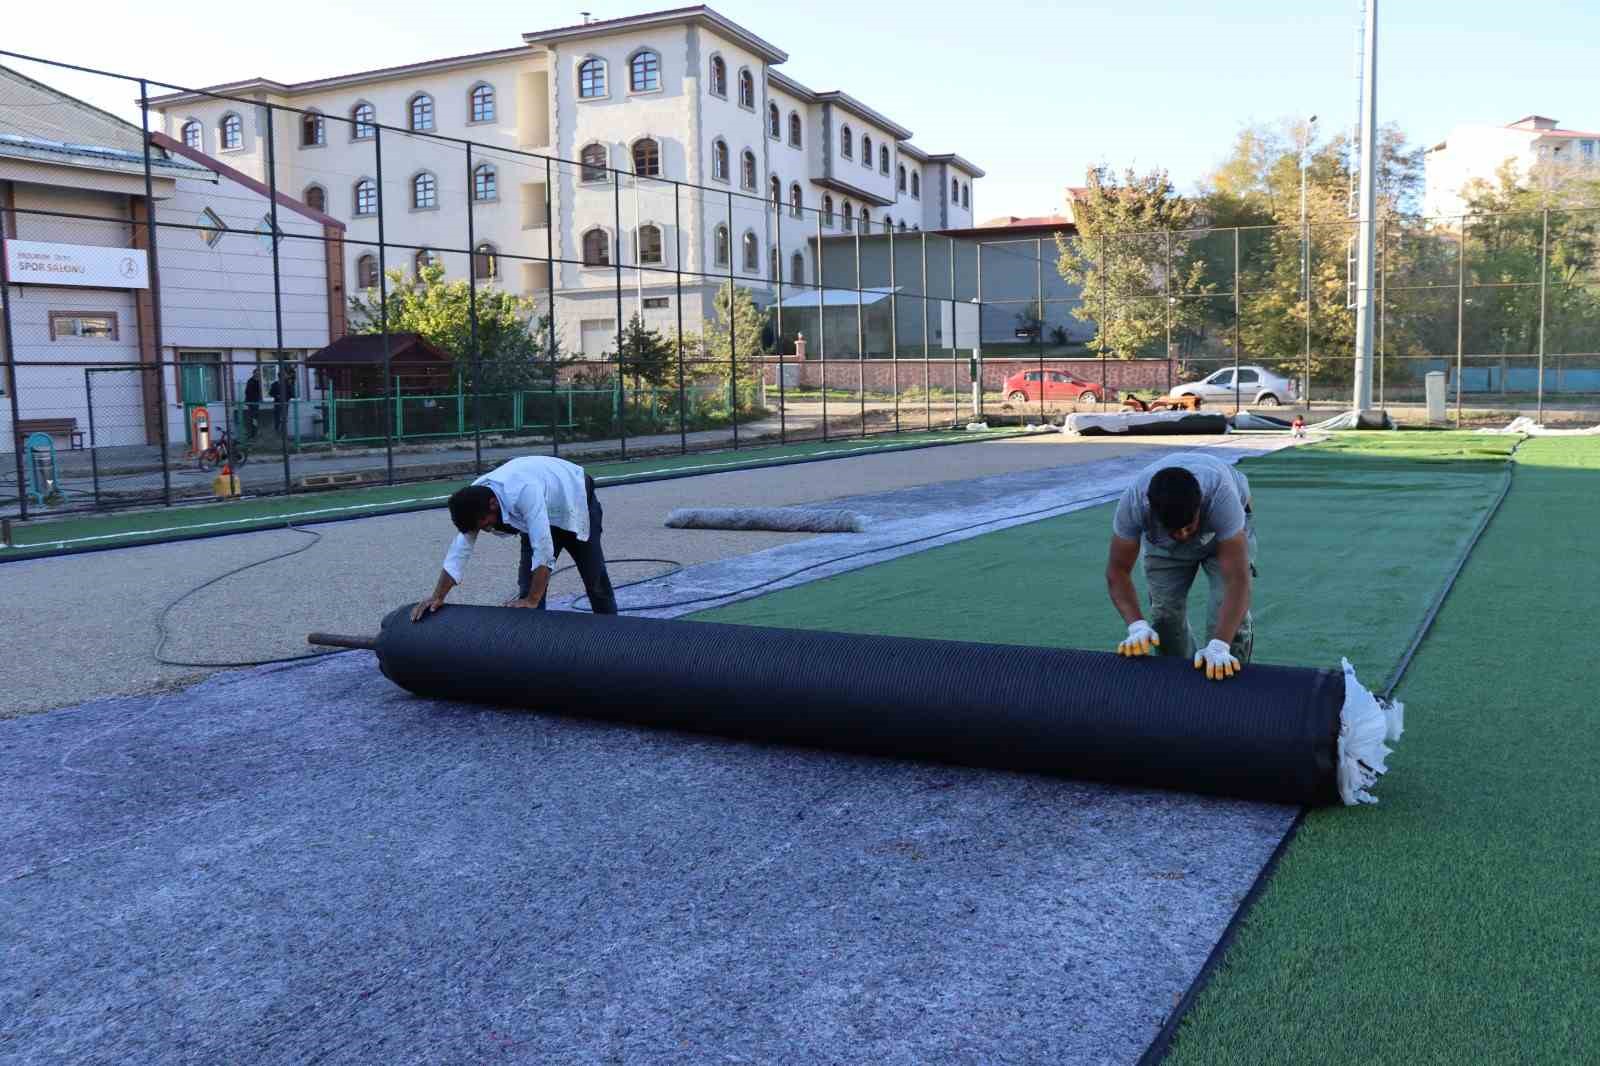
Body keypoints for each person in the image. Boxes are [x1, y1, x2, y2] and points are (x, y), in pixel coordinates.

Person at [411, 455, 618, 622]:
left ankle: (614, 637)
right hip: (540, 510)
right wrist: (438, 596)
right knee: (528, 588)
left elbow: (543, 551)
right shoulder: (473, 501)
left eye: (485, 524)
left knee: (595, 579)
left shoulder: (523, 492)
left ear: (493, 503)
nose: (486, 529)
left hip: (574, 502)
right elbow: (459, 552)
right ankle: (534, 644)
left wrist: (532, 600)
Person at [1105, 453, 1256, 681]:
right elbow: (1117, 571)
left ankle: (1230, 686)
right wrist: (1136, 626)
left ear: (1200, 506)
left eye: (1188, 526)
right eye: (1175, 530)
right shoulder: (1135, 504)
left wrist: (1219, 645)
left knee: (1228, 623)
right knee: (1165, 619)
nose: (1184, 535)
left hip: (1222, 535)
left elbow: (1238, 580)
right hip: (1164, 546)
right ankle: (1180, 685)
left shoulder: (1221, 498)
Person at [244, 370, 262, 440]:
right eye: (256, 373)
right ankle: (253, 433)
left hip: (255, 402)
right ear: (254, 374)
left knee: (255, 418)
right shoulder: (251, 381)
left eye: (258, 374)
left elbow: (260, 391)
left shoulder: (259, 381)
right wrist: (248, 401)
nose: (257, 375)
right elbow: (247, 391)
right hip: (251, 402)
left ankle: (254, 432)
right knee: (252, 418)